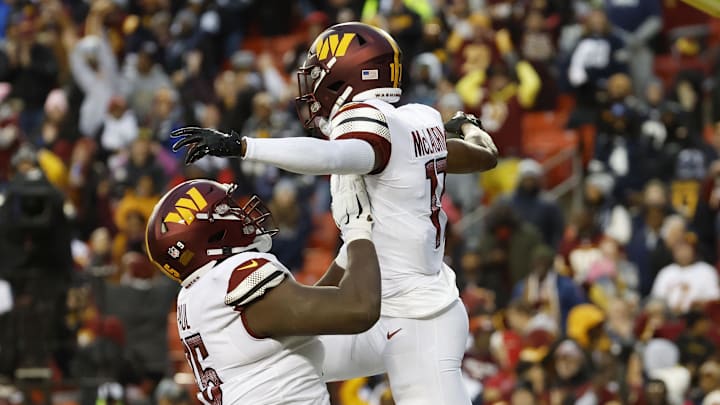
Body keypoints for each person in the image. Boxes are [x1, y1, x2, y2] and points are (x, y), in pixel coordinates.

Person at [171, 22, 498, 404]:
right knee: (279, 353)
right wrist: (469, 129)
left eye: (315, 76)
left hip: (420, 319)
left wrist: (243, 146)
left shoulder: (370, 124)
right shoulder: (420, 123)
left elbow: (334, 155)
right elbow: (483, 156)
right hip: (388, 306)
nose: (309, 89)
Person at [145, 177, 380, 404]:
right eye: (226, 209)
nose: (238, 212)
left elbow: (302, 315)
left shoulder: (197, 292)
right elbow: (360, 309)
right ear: (206, 233)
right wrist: (358, 230)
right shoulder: (235, 275)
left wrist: (344, 256)